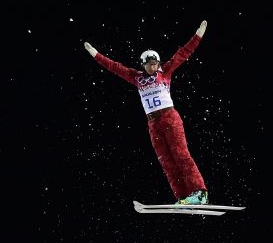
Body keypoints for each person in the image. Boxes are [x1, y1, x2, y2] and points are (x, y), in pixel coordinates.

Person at [83, 20, 209, 205]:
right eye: (149, 64)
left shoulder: (165, 71)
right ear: (143, 65)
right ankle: (182, 197)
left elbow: (183, 53)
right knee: (166, 161)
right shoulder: (136, 77)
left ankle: (199, 193)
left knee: (181, 154)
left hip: (169, 118)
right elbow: (115, 67)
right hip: (153, 124)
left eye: (155, 63)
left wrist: (198, 34)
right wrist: (95, 54)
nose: (153, 66)